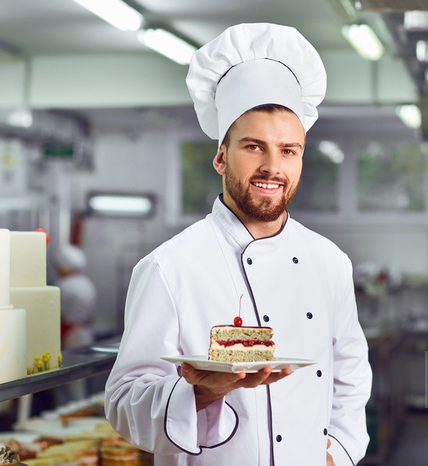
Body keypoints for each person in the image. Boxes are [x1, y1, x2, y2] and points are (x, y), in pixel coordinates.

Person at [105, 23, 372, 466]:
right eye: (254, 147)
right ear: (220, 156)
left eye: (289, 150)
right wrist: (199, 393)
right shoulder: (170, 267)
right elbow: (123, 402)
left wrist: (336, 455)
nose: (272, 166)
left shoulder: (329, 262)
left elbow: (349, 376)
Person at [57, 243, 97, 349]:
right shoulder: (86, 282)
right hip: (86, 331)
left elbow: (59, 313)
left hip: (71, 335)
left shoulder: (63, 285)